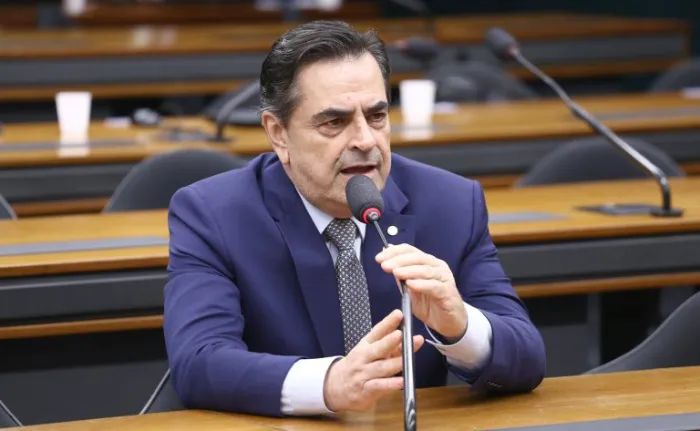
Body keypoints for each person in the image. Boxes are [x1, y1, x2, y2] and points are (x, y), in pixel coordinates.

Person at [164, 20, 546, 418]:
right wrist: (329, 385)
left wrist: (462, 327)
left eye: (377, 116)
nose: (365, 140)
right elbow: (198, 363)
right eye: (335, 122)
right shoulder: (213, 214)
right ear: (278, 134)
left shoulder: (451, 203)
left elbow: (528, 358)